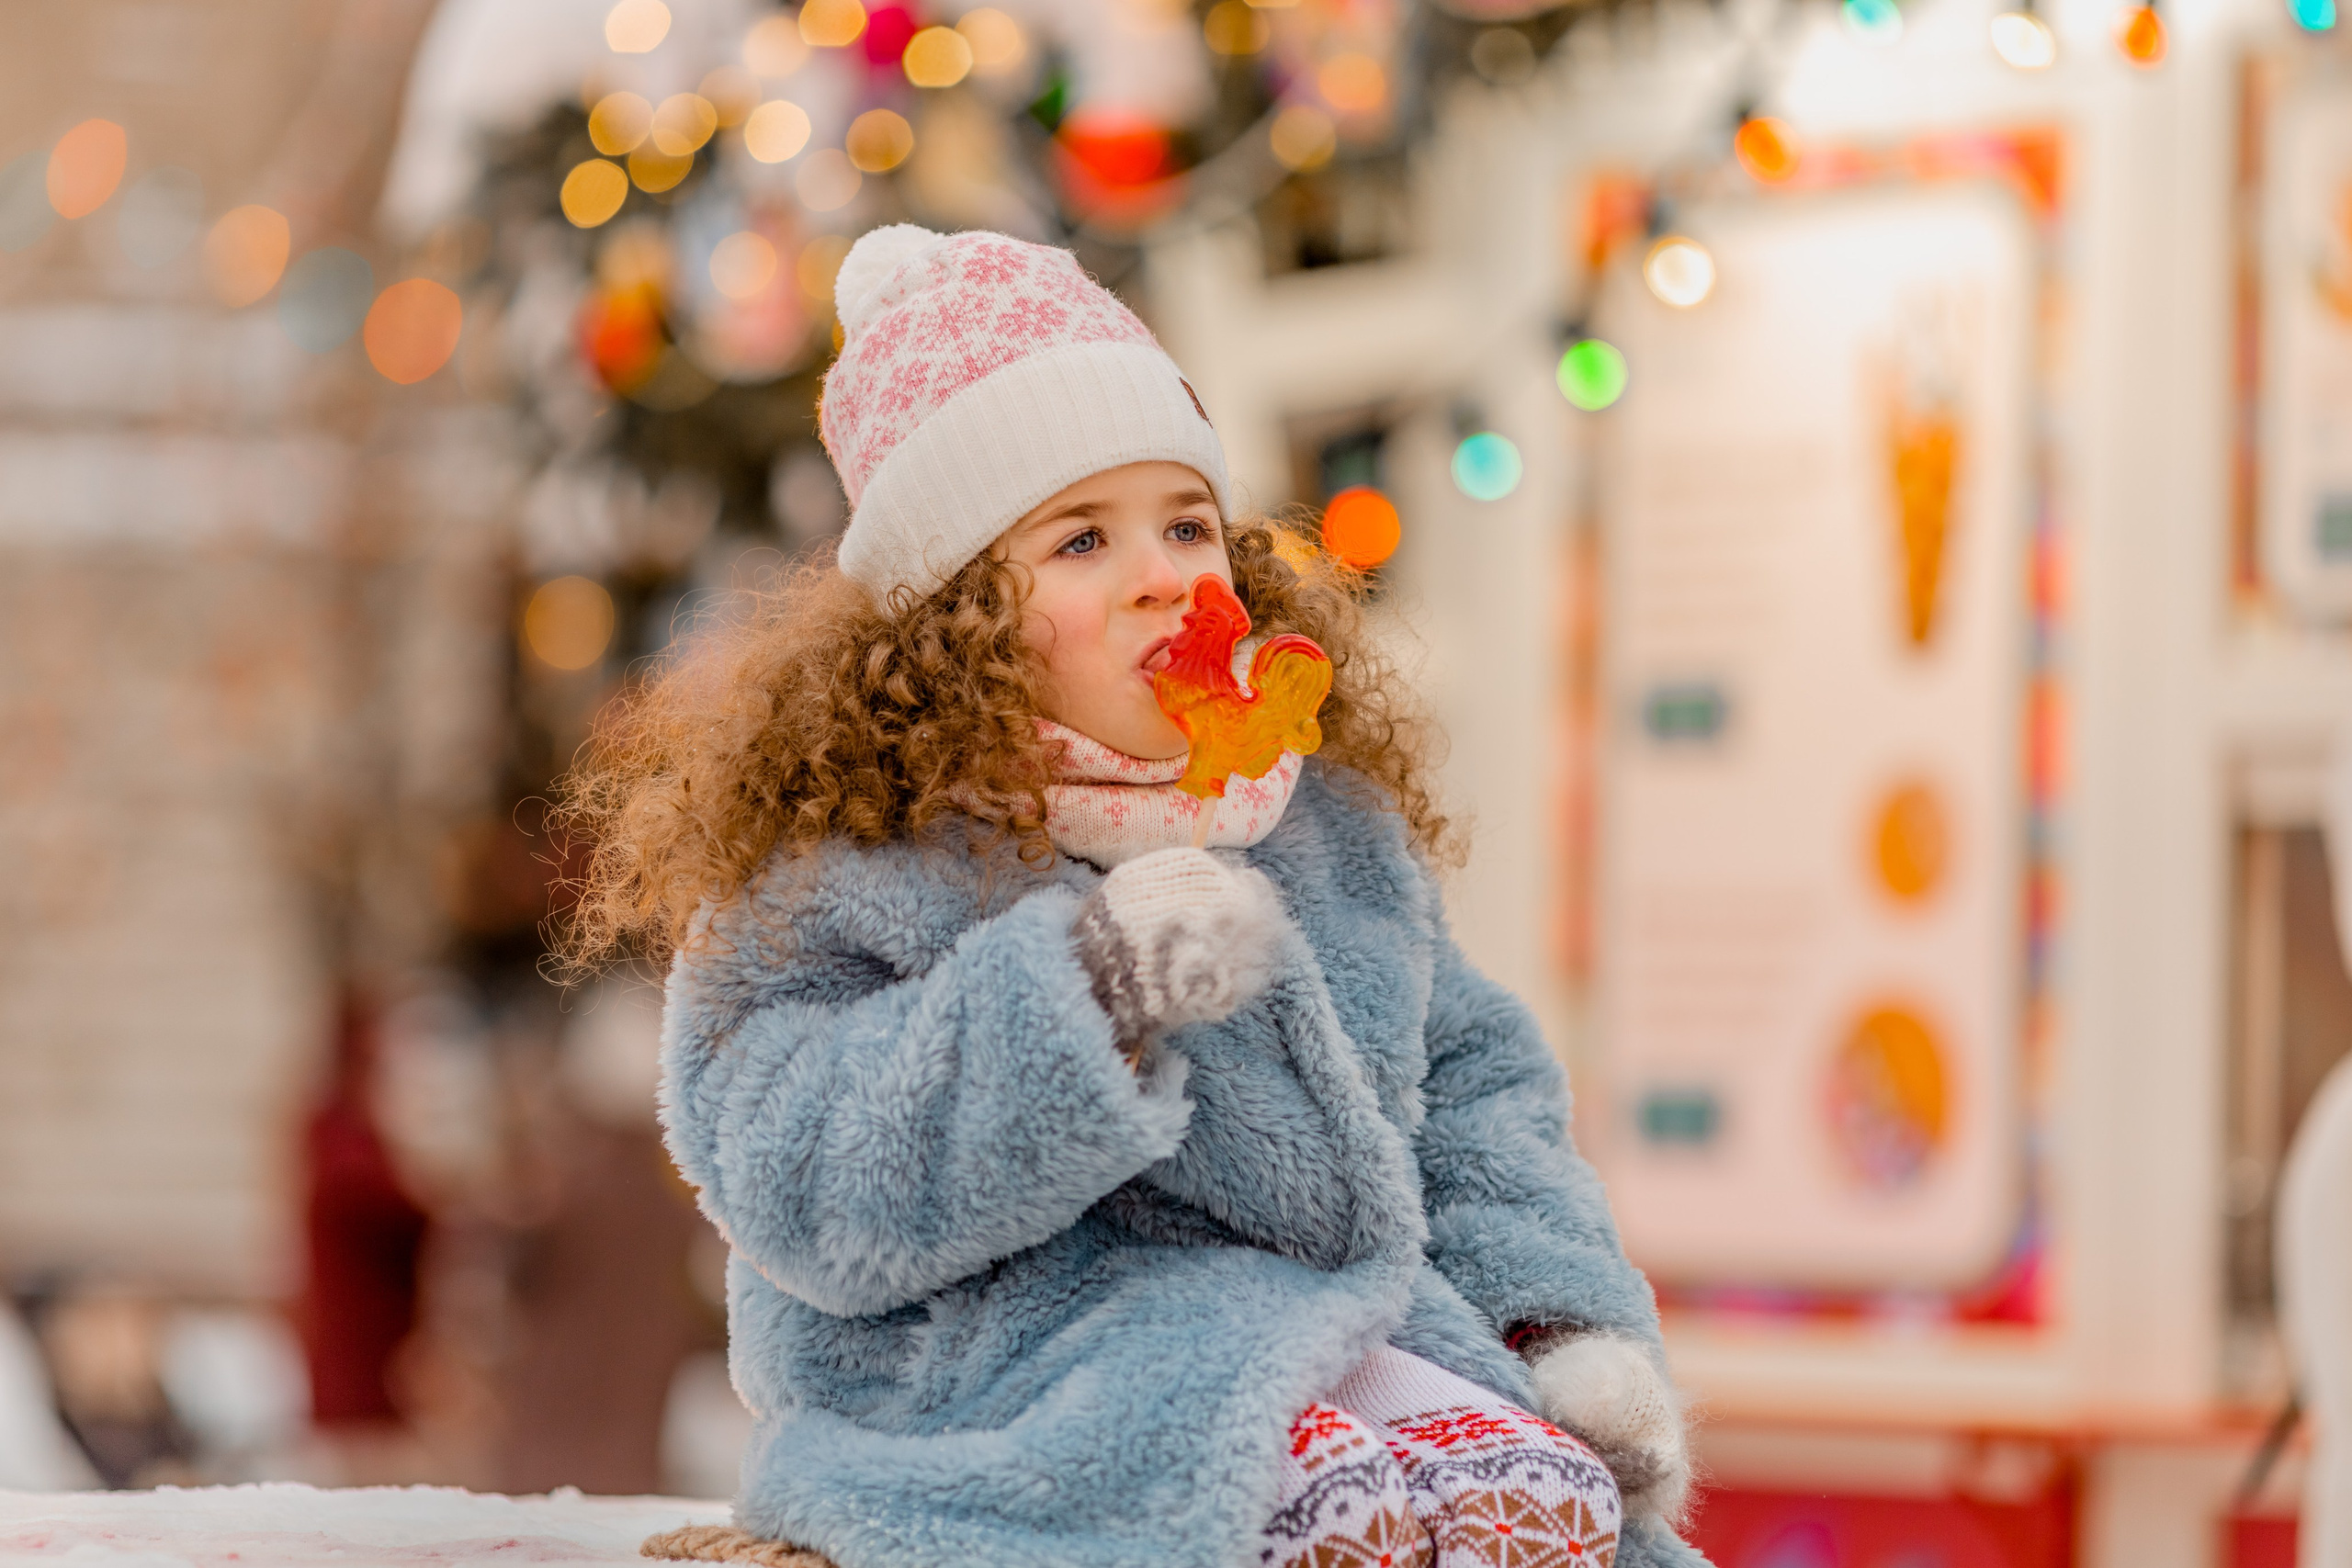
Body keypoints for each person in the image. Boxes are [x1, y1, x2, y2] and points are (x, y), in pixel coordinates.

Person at [559, 225, 1704, 1568]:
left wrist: (1554, 1324)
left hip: (1340, 1336)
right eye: (1084, 538)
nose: (1165, 574)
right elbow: (795, 1163)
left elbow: (1477, 1095)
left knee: (1545, 1499)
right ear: (954, 622)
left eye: (1188, 524)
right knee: (1329, 1507)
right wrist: (1087, 993)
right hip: (1016, 1379)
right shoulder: (856, 860)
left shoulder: (1320, 835)